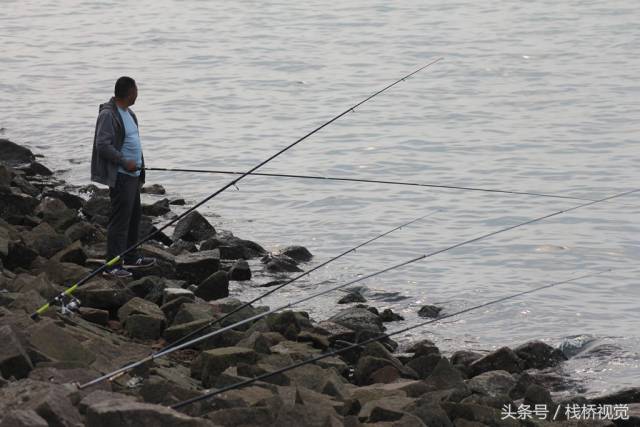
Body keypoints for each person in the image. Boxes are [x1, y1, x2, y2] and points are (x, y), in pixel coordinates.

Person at [91, 76, 155, 278]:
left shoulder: (130, 114)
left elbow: (133, 142)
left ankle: (130, 255)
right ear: (129, 92)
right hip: (120, 176)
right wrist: (123, 161)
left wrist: (139, 165)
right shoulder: (109, 115)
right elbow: (102, 146)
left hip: (134, 175)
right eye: (136, 90)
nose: (138, 94)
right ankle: (113, 265)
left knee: (134, 216)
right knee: (120, 221)